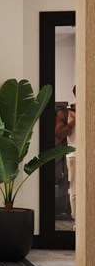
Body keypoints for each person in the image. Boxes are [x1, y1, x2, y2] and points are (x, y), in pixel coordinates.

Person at [55, 86, 78, 219]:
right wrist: (73, 123)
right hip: (75, 155)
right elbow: (58, 135)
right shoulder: (66, 113)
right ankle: (77, 221)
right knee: (75, 189)